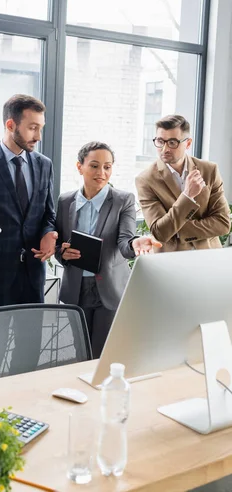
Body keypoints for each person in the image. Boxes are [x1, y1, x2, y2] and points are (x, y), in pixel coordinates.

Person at [55, 141, 161, 358]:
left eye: (107, 166)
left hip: (109, 288)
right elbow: (60, 244)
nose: (101, 172)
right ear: (79, 167)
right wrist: (61, 253)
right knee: (80, 352)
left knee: (103, 354)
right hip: (76, 288)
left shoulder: (123, 200)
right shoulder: (65, 201)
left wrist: (135, 243)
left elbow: (125, 241)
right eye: (94, 166)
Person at [0, 94, 57, 311]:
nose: (39, 136)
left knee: (31, 342)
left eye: (41, 128)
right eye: (32, 128)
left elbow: (48, 214)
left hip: (34, 273)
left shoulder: (45, 165)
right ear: (10, 124)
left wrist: (48, 233)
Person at [135, 114, 230, 252]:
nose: (165, 149)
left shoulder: (209, 170)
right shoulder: (146, 180)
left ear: (188, 143)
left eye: (172, 142)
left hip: (209, 257)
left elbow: (223, 223)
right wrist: (187, 196)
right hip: (171, 261)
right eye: (160, 141)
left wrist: (176, 231)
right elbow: (160, 232)